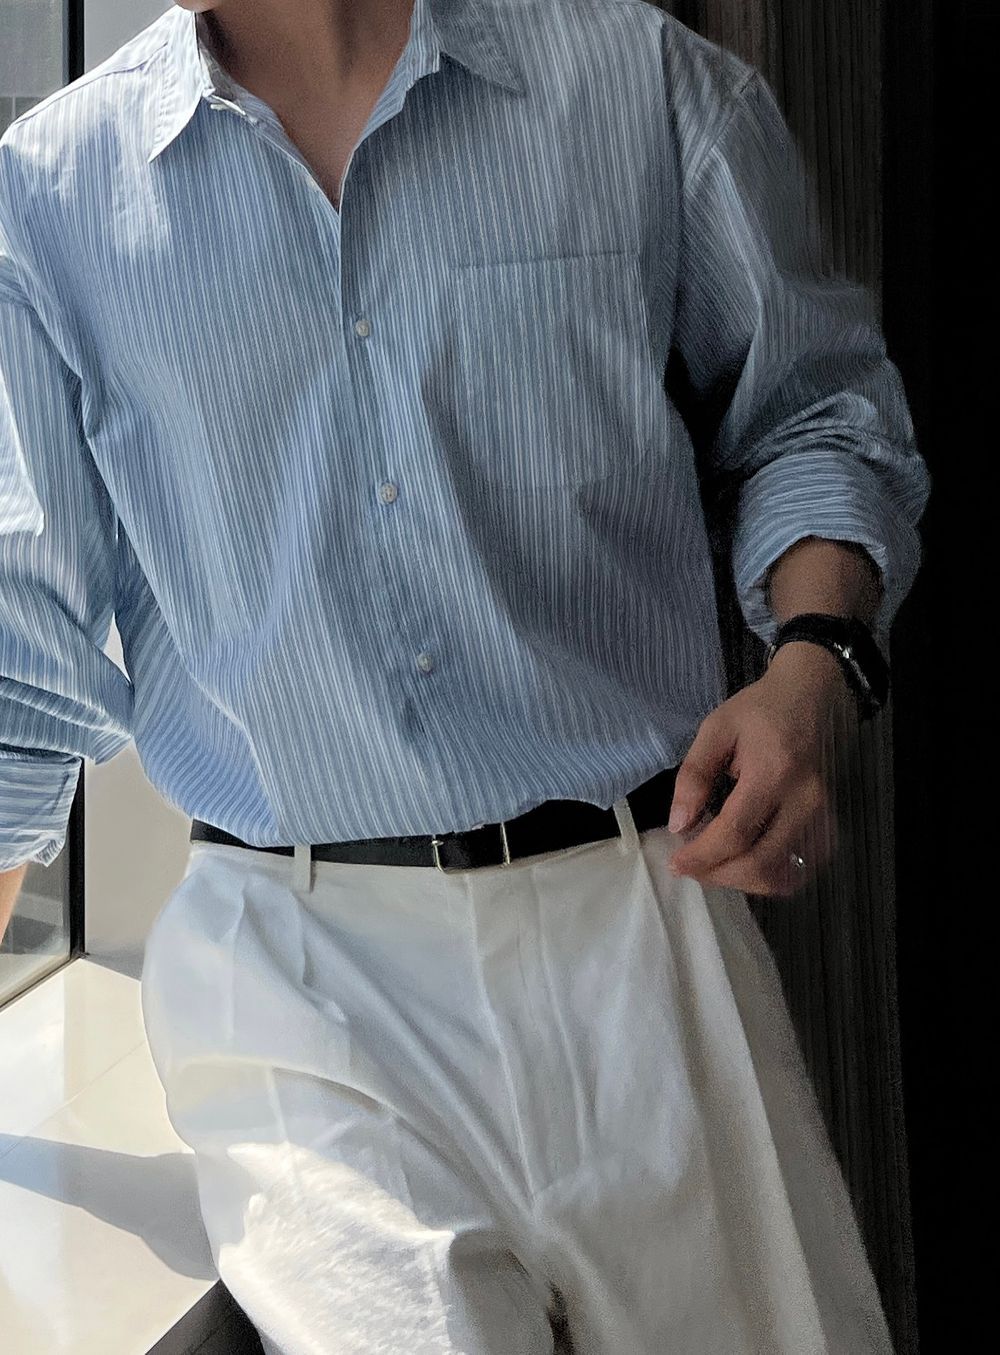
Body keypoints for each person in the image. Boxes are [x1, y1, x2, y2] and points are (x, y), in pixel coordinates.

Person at [0, 0, 930, 1350]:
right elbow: (20, 668)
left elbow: (818, 414)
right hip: (295, 979)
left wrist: (816, 670)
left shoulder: (640, 84)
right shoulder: (49, 198)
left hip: (646, 931)